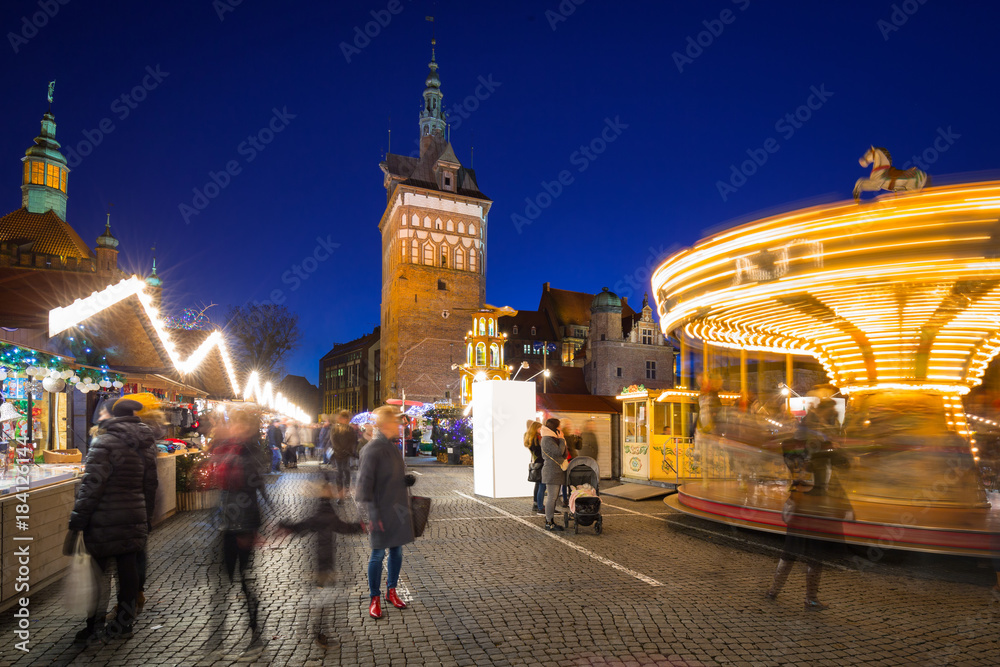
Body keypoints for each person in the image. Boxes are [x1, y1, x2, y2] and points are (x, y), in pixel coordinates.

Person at [66, 398, 157, 642]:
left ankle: (92, 626)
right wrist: (146, 516)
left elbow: (91, 486)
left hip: (104, 518)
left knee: (99, 575)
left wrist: (78, 519)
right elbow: (151, 484)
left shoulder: (104, 442)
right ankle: (124, 625)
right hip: (134, 516)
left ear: (113, 416)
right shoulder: (146, 443)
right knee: (129, 573)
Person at [211, 410, 273, 650]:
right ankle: (216, 634)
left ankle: (255, 631)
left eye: (237, 424)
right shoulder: (230, 447)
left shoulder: (249, 451)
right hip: (227, 521)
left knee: (245, 578)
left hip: (244, 523)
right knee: (224, 579)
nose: (233, 427)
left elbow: (257, 486)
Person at [278, 476, 364, 648]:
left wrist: (289, 527)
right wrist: (361, 527)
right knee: (324, 600)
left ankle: (319, 632)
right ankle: (319, 634)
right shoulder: (326, 510)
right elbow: (341, 527)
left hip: (323, 560)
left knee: (324, 599)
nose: (341, 491)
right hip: (323, 562)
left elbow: (306, 525)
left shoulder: (323, 507)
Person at [356, 406, 415, 619]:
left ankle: (391, 591)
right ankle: (375, 597)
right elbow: (363, 487)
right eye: (396, 422)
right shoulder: (372, 449)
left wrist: (405, 480)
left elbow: (390, 476)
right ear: (385, 424)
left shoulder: (391, 447)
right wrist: (370, 516)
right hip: (379, 512)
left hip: (396, 509)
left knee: (397, 552)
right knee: (378, 555)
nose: (400, 426)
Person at [540, 417, 567, 531]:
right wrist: (562, 440)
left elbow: (563, 454)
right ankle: (549, 522)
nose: (561, 429)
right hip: (552, 471)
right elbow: (558, 452)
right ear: (555, 428)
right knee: (552, 498)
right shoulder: (547, 439)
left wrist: (561, 440)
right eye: (559, 426)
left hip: (556, 471)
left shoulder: (552, 438)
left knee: (554, 498)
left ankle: (550, 521)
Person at [331, 410, 357, 500]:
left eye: (346, 419)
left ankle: (346, 491)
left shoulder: (350, 429)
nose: (345, 420)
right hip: (339, 453)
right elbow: (334, 440)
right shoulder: (335, 428)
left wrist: (348, 450)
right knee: (340, 472)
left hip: (346, 453)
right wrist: (342, 450)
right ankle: (341, 493)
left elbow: (353, 441)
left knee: (346, 471)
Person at [524, 421, 544, 514]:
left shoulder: (530, 438)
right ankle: (540, 506)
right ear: (536, 429)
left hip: (536, 463)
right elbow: (540, 452)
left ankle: (536, 503)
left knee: (538, 484)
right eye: (540, 428)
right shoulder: (536, 439)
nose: (542, 430)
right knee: (542, 485)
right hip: (540, 463)